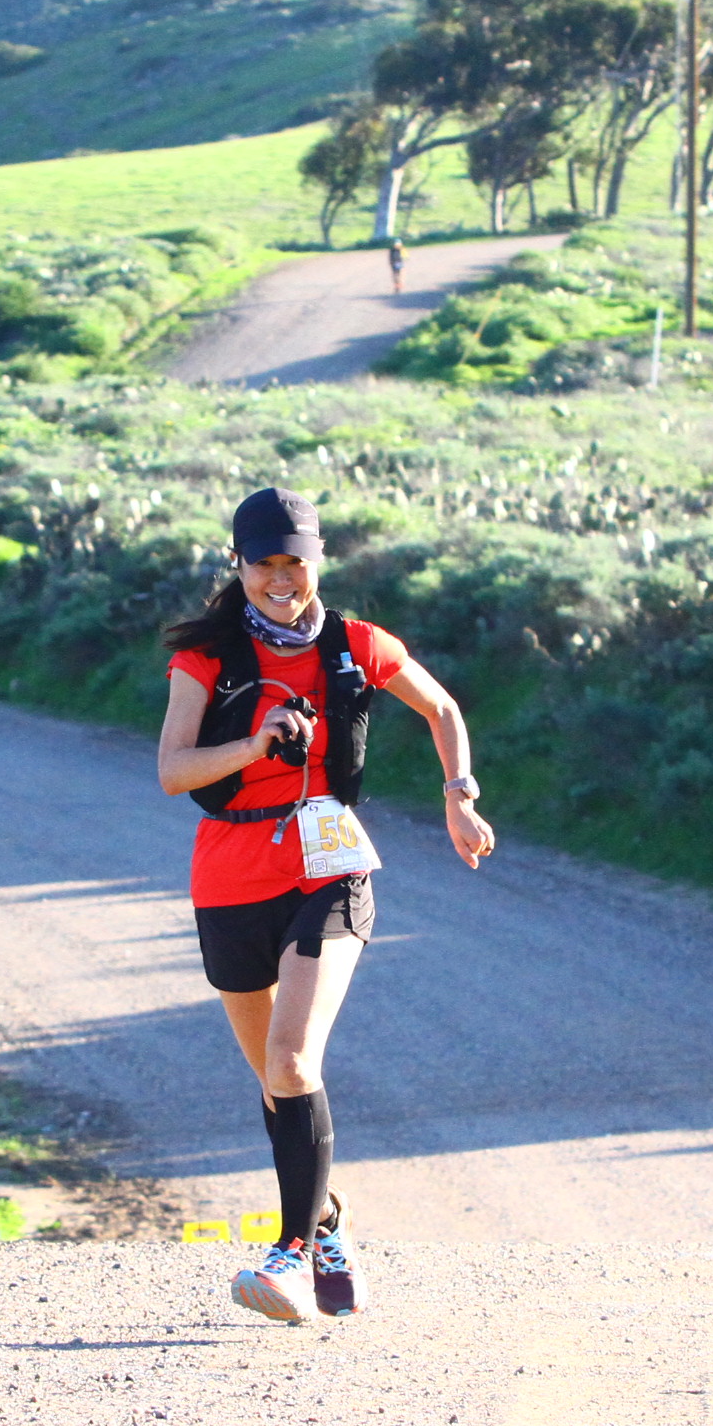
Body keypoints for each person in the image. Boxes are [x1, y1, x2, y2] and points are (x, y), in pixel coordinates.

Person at [155, 486, 494, 1324]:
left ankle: (291, 1258)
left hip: (330, 863)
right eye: (264, 563)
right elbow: (172, 770)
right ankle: (328, 1219)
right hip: (230, 872)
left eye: (295, 563)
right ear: (238, 564)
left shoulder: (356, 644)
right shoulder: (207, 657)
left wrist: (459, 793)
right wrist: (256, 741)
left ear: (317, 561)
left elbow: (441, 706)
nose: (281, 579)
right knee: (275, 1087)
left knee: (292, 1063)